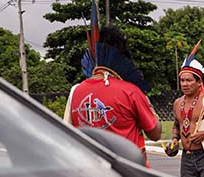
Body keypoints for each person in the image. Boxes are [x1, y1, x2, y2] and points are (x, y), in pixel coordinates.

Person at [66, 25, 160, 162]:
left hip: (91, 169)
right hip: (128, 171)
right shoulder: (131, 91)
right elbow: (155, 133)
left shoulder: (76, 91)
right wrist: (149, 105)